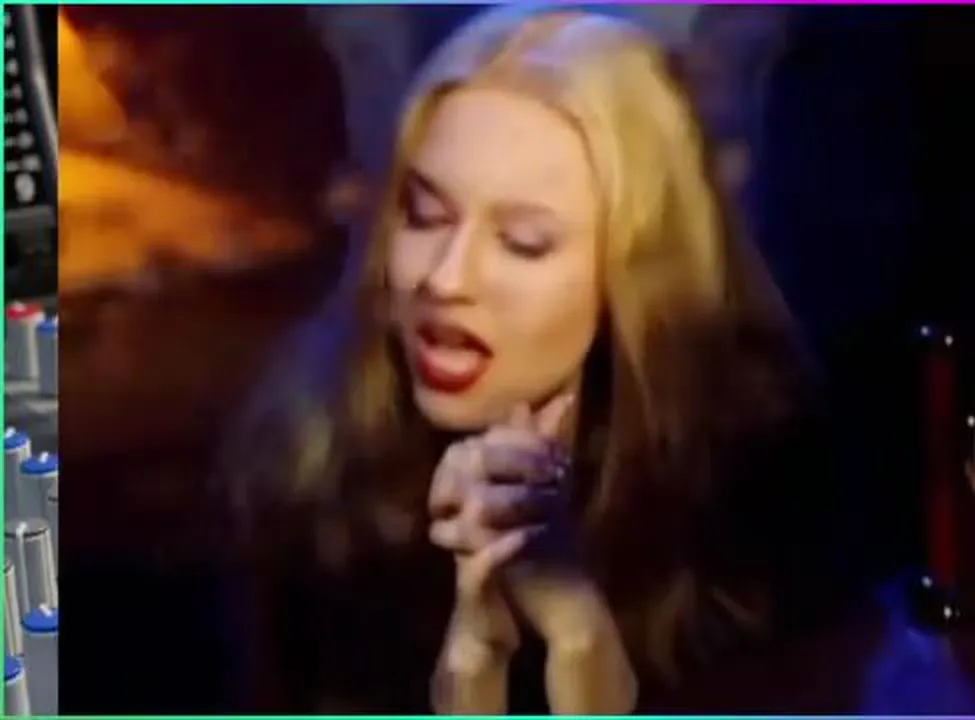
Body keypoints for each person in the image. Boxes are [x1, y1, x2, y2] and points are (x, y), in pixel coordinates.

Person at [224, 6, 857, 714]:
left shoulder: (757, 486)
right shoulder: (309, 459)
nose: (446, 279)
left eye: (523, 242)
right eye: (426, 215)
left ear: (632, 275)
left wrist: (577, 634)